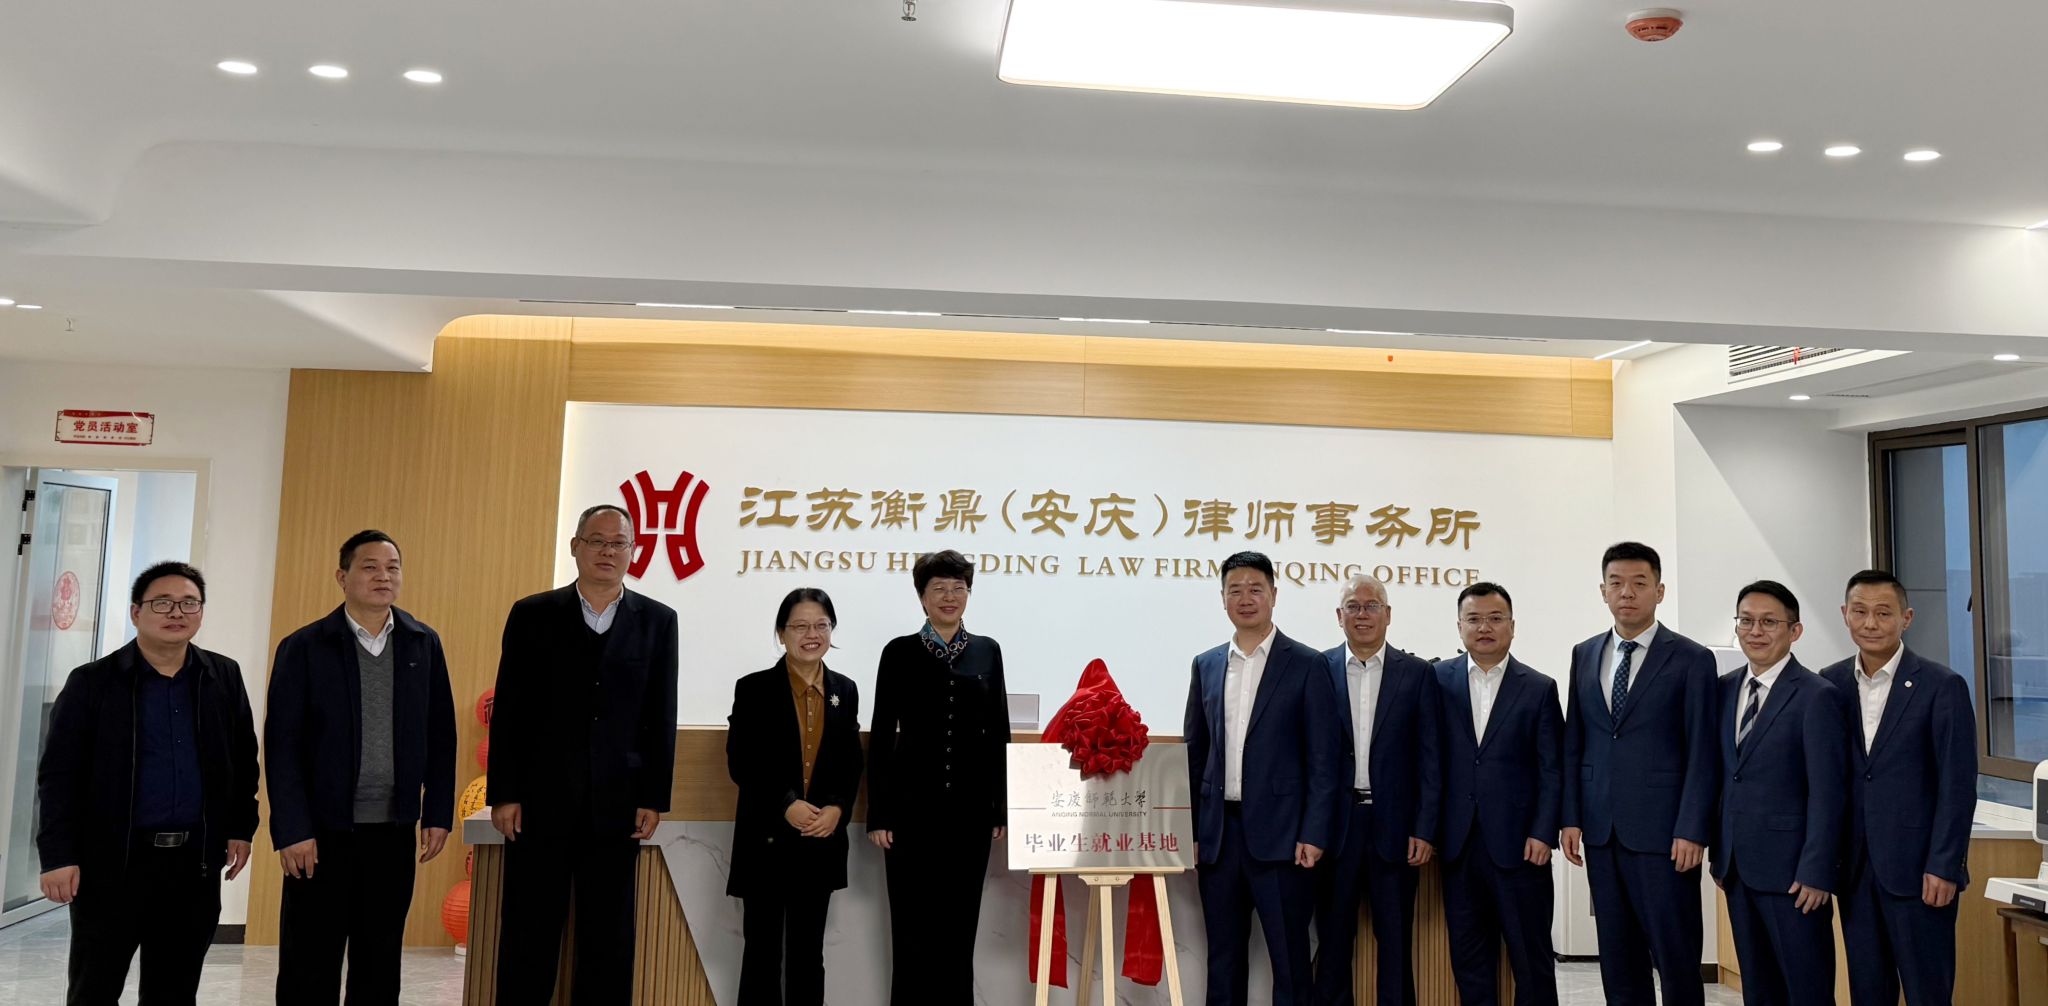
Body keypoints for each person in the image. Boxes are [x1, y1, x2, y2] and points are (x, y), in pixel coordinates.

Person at [36, 561, 259, 1005]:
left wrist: (240, 827)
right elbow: (59, 776)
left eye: (189, 603)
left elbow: (242, 759)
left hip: (193, 865)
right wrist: (58, 855)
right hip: (113, 864)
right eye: (162, 603)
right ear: (136, 612)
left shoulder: (222, 676)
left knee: (174, 991)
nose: (177, 612)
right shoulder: (92, 683)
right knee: (94, 989)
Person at [487, 504, 680, 1006]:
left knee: (608, 939)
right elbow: (510, 709)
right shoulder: (532, 614)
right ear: (576, 547)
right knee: (529, 934)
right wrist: (504, 793)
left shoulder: (658, 621)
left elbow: (660, 714)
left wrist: (653, 797)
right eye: (597, 541)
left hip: (618, 805)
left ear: (633, 551)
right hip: (538, 802)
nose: (607, 551)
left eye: (618, 543)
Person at [265, 529, 457, 1005]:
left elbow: (441, 735)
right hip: (320, 834)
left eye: (392, 568)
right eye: (370, 567)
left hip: (392, 832)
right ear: (342, 577)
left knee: (379, 960)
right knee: (309, 963)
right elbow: (282, 746)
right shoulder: (305, 646)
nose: (383, 577)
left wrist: (437, 812)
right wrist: (292, 829)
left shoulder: (422, 643)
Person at [1184, 551, 1346, 1006]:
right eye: (1235, 590)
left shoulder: (1308, 664)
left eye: (1255, 589)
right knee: (1223, 959)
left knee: (1290, 961)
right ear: (1222, 599)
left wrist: (1314, 832)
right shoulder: (1206, 664)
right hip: (1219, 839)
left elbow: (1324, 759)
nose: (1245, 598)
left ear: (1274, 594)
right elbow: (1196, 754)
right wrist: (1191, 831)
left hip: (1285, 840)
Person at [1560, 542, 1717, 1006]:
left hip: (1666, 835)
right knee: (1618, 955)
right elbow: (1576, 742)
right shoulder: (1585, 653)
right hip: (1601, 830)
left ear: (1659, 591)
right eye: (1616, 583)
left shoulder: (1691, 657)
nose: (1626, 593)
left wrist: (1692, 827)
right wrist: (1571, 817)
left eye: (1639, 583)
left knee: (1675, 955)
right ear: (1603, 591)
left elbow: (1702, 750)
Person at [1820, 569, 1974, 1006]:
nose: (1870, 623)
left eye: (1883, 613)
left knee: (1928, 991)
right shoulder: (1828, 683)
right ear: (1844, 615)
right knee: (1868, 990)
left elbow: (1957, 785)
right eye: (1860, 612)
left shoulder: (1941, 686)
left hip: (1920, 872)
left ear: (1906, 618)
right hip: (1854, 870)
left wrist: (1944, 865)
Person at [866, 550, 1010, 1005]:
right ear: (922, 597)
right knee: (910, 930)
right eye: (939, 588)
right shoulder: (898, 652)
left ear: (969, 593)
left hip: (970, 815)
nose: (950, 596)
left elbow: (999, 731)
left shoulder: (988, 650)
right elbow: (882, 734)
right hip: (910, 814)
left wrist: (1000, 807)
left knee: (959, 930)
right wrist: (878, 813)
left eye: (958, 588)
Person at [1709, 580, 1847, 1006]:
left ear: (1795, 631)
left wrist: (1817, 870)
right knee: (1759, 989)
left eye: (1769, 622)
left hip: (1794, 876)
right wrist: (1720, 851)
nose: (1755, 631)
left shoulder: (1817, 695)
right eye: (1746, 621)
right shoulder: (1724, 688)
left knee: (1806, 990)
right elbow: (1724, 777)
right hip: (1737, 868)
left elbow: (1828, 792)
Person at [726, 588, 863, 1006]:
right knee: (762, 953)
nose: (812, 634)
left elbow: (851, 761)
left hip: (819, 839)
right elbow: (742, 760)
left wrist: (837, 807)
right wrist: (786, 804)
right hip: (766, 838)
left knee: (808, 954)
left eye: (821, 625)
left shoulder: (845, 690)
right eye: (800, 626)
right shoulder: (754, 688)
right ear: (781, 633)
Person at [1311, 574, 1439, 1006]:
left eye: (1372, 606)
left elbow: (1430, 759)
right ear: (1339, 616)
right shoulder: (1319, 669)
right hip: (1335, 828)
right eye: (1353, 606)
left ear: (1388, 614)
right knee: (1332, 941)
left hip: (1396, 829)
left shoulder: (1417, 674)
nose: (1362, 614)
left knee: (1396, 940)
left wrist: (1424, 828)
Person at [1432, 582, 1560, 1006]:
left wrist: (1543, 832)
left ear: (1512, 626)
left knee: (1532, 960)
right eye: (1474, 619)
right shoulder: (1437, 680)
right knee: (1469, 960)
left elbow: (1551, 768)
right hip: (1458, 846)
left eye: (1495, 618)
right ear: (1459, 626)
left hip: (1521, 847)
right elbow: (1429, 761)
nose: (1484, 627)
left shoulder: (1539, 687)